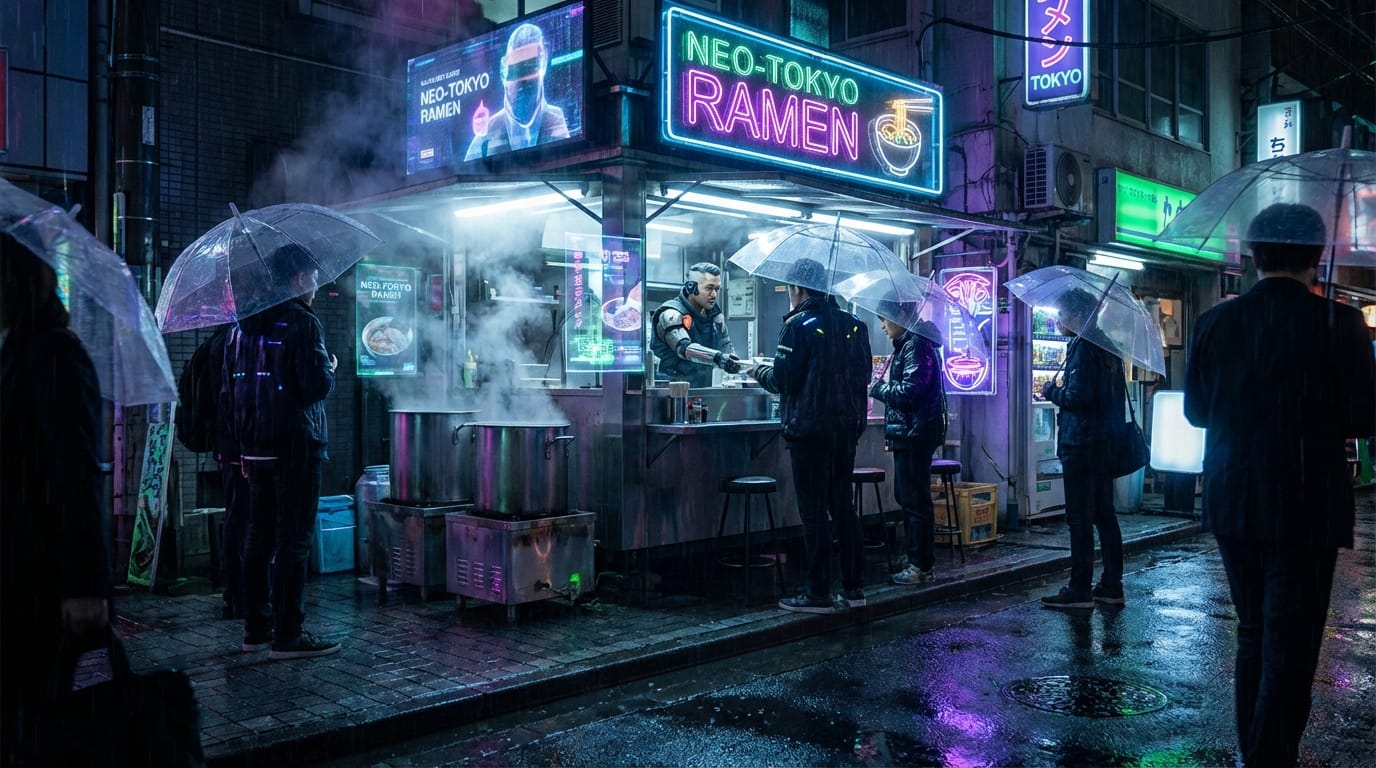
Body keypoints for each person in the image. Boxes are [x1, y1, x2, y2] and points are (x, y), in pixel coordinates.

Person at [1183, 203, 1375, 767]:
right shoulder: (1339, 324)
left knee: (1253, 633)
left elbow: (1196, 411)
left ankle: (1256, 755)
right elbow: (1365, 421)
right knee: (1290, 650)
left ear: (1253, 256)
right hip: (1307, 501)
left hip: (1234, 496)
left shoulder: (1217, 320)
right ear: (1317, 257)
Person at [0, 233, 112, 760]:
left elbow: (76, 476)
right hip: (14, 566)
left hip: (37, 572)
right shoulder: (15, 353)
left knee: (35, 715)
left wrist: (85, 586)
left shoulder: (55, 356)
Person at [225, 244, 340, 660]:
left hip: (255, 448)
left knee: (259, 536)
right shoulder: (301, 323)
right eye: (310, 276)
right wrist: (329, 367)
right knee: (294, 540)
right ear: (296, 280)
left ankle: (256, 629)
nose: (314, 284)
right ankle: (289, 634)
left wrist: (240, 446)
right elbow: (313, 387)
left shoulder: (240, 328)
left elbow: (231, 390)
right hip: (295, 449)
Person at [751, 258, 872, 613]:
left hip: (809, 431)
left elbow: (782, 378)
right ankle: (854, 588)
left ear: (798, 289)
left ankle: (817, 592)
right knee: (843, 508)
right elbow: (864, 374)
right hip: (846, 430)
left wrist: (761, 370)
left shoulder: (798, 325)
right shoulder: (856, 325)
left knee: (815, 512)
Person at [1038, 287, 1125, 609]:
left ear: (1077, 316)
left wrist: (1052, 392)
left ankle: (1080, 588)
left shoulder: (1085, 348)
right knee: (1105, 515)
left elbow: (1079, 398)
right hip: (1104, 444)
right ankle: (1111, 584)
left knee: (1080, 518)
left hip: (1082, 444)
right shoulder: (1106, 346)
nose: (1058, 321)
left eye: (1061, 315)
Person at [867, 307, 946, 586]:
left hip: (915, 434)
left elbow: (910, 392)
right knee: (909, 496)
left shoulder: (916, 345)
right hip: (911, 433)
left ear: (899, 318)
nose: (882, 327)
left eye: (884, 320)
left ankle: (920, 565)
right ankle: (918, 560)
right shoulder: (909, 344)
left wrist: (877, 388)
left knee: (914, 500)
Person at [464, 22, 570, 160]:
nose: (523, 81)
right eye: (515, 71)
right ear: (503, 72)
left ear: (543, 64)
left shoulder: (555, 119)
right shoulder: (488, 132)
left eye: (530, 67)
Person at [650, 262, 741, 388]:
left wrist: (735, 361)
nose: (714, 295)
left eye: (717, 289)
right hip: (671, 392)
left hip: (703, 389)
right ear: (691, 287)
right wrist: (718, 358)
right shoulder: (671, 314)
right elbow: (684, 348)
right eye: (709, 288)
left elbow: (725, 344)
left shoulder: (715, 317)